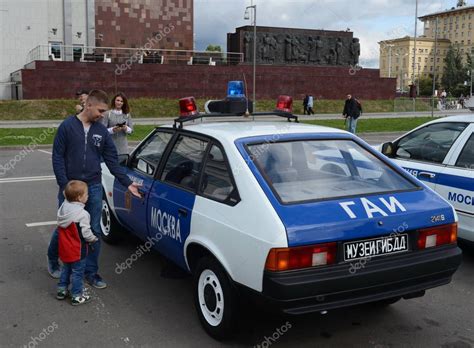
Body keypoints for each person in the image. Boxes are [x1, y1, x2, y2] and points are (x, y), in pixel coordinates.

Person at [47, 89, 141, 289]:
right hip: (70, 187)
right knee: (65, 227)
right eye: (100, 110)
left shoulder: (100, 131)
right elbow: (57, 157)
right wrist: (64, 186)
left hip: (93, 186)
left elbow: (112, 162)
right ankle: (53, 259)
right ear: (89, 105)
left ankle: (91, 272)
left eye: (105, 111)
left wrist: (127, 182)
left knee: (94, 229)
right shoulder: (67, 126)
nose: (103, 115)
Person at [56, 180, 98, 305]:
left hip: (64, 247)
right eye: (86, 194)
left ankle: (61, 290)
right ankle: (76, 295)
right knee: (77, 272)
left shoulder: (63, 208)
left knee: (66, 268)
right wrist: (93, 238)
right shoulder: (83, 214)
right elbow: (85, 233)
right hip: (77, 249)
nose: (88, 196)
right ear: (79, 198)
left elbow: (65, 195)